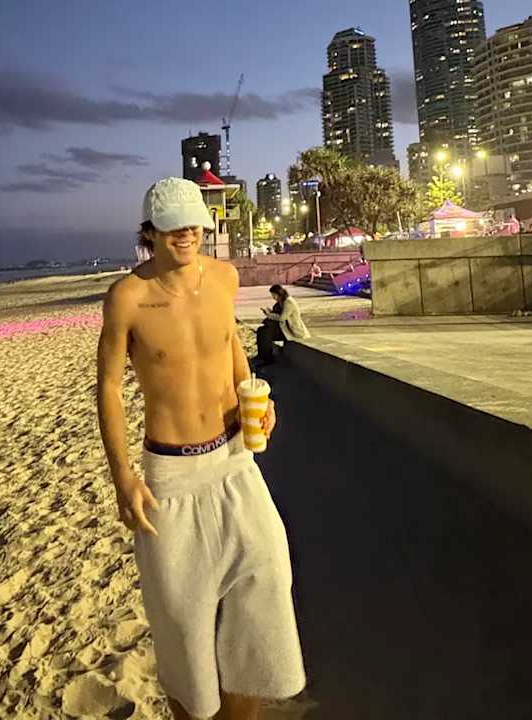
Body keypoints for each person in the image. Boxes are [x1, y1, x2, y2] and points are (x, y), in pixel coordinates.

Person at [96, 177, 305, 720]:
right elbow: (109, 388)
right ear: (150, 231)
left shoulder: (224, 277)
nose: (187, 232)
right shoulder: (128, 297)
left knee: (265, 589)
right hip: (170, 477)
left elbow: (229, 341)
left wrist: (255, 394)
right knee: (183, 625)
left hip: (234, 459)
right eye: (174, 225)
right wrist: (123, 477)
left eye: (194, 222)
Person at [254, 285, 309, 367]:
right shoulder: (281, 301)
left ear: (279, 293)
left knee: (265, 333)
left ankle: (268, 359)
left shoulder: (288, 302)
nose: (273, 297)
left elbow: (282, 318)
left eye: (274, 295)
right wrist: (270, 311)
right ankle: (262, 355)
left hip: (290, 329)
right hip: (282, 328)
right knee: (261, 330)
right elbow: (278, 313)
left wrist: (269, 315)